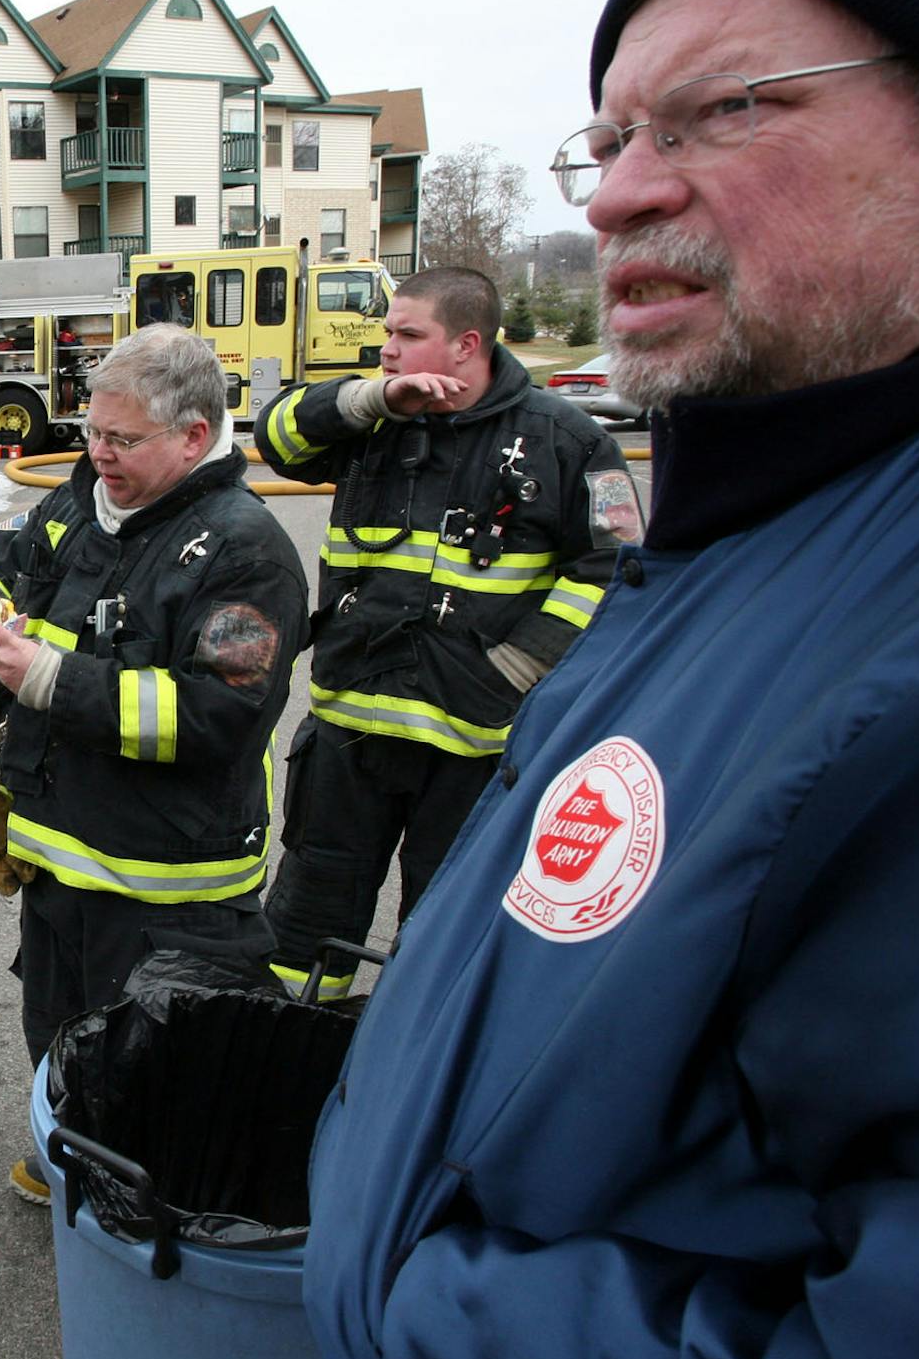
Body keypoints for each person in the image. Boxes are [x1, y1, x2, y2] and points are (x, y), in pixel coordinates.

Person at [303, 0, 919, 1359]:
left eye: (728, 109)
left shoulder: (892, 613)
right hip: (348, 753)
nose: (614, 192)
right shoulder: (754, 515)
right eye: (604, 135)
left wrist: (415, 1298)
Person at [0, 322, 306, 1204]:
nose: (97, 453)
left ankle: (145, 1216)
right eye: (92, 431)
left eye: (121, 439)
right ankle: (77, 1155)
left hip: (166, 890)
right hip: (61, 865)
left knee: (156, 1067)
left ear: (195, 437)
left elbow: (222, 713)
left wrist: (55, 680)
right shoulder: (76, 505)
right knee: (59, 1032)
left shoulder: (244, 550)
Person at [254, 267, 634, 998]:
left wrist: (517, 670)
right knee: (300, 935)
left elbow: (612, 573)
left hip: (473, 747)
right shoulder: (373, 418)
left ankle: (402, 1081)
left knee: (446, 939)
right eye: (387, 333)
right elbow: (278, 438)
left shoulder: (566, 442)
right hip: (348, 735)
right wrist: (372, 399)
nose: (387, 348)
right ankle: (285, 1066)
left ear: (466, 344)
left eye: (407, 335)